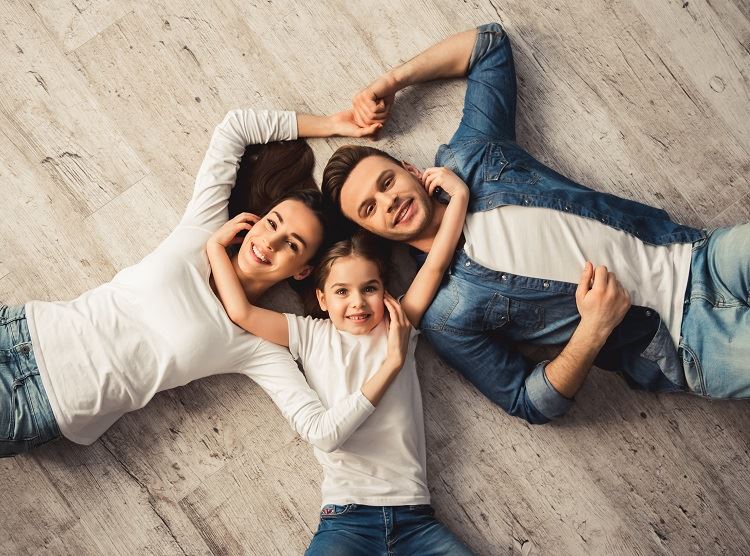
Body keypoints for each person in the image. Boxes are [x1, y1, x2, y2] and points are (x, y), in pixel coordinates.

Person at [321, 22, 750, 424]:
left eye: (386, 181)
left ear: (411, 170)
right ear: (372, 232)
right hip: (683, 343)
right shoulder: (445, 314)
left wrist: (389, 83)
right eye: (370, 209)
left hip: (701, 255)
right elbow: (528, 402)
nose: (388, 201)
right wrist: (594, 329)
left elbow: (489, 45)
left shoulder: (472, 158)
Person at [0, 107, 383, 457]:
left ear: (302, 270)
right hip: (21, 326)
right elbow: (235, 128)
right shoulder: (203, 227)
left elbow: (321, 431)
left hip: (41, 401)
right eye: (272, 223)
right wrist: (334, 124)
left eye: (292, 245)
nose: (269, 242)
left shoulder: (258, 344)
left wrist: (392, 361)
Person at [206, 165, 472, 553]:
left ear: (385, 291)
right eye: (342, 292)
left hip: (416, 519)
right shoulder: (309, 334)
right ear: (322, 298)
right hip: (346, 521)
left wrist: (459, 197)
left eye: (369, 288)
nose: (358, 302)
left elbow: (435, 263)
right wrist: (215, 248)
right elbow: (242, 313)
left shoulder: (398, 324)